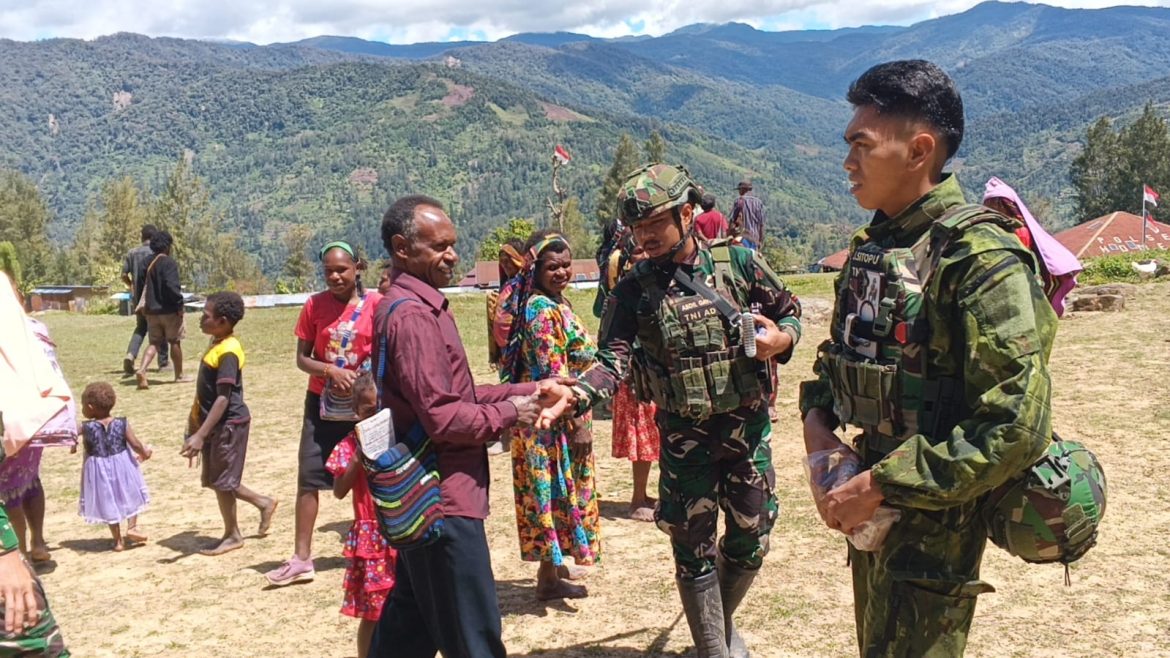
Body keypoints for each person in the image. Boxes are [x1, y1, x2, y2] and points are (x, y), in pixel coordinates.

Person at [798, 60, 1058, 657]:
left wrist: (881, 484)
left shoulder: (980, 258)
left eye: (862, 146)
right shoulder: (879, 248)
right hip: (869, 512)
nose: (848, 163)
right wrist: (821, 438)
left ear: (919, 150)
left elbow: (1016, 423)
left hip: (937, 530)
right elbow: (834, 365)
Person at [568, 163, 802, 658]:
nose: (645, 236)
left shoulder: (738, 266)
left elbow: (788, 310)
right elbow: (612, 360)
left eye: (655, 223)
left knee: (751, 538)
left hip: (746, 432)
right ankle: (713, 648)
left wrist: (780, 339)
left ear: (688, 213)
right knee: (692, 548)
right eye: (637, 228)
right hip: (683, 439)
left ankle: (718, 626)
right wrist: (576, 394)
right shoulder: (631, 290)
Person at [370, 194, 575, 658]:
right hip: (443, 503)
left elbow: (455, 395)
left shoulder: (412, 305)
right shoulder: (415, 317)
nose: (452, 255)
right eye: (439, 246)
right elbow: (444, 418)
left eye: (453, 244)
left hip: (426, 500)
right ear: (402, 248)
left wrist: (526, 388)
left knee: (408, 629)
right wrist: (514, 413)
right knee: (474, 637)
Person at [267, 242, 380, 585]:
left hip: (366, 409)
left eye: (342, 269)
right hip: (322, 405)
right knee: (309, 477)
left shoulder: (376, 304)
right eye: (328, 270)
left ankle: (381, 548)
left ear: (357, 267)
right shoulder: (314, 305)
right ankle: (301, 558)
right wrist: (329, 371)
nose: (334, 276)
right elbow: (302, 358)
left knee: (373, 477)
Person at [499, 230, 600, 601]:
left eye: (566, 265)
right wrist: (576, 424)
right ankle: (548, 579)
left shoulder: (553, 302)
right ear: (535, 269)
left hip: (557, 416)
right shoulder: (541, 311)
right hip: (553, 420)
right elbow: (554, 377)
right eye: (551, 266)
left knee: (558, 490)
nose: (561, 272)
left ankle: (556, 566)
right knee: (553, 492)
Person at [181, 291, 277, 556]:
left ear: (222, 321)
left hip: (229, 423)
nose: (201, 319)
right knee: (218, 479)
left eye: (206, 316)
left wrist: (201, 434)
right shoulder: (217, 341)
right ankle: (262, 502)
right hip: (216, 424)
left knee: (222, 480)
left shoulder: (229, 352)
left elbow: (223, 399)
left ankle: (233, 535)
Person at [325, 371, 397, 658]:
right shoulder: (349, 446)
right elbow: (339, 490)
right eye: (368, 411)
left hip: (400, 529)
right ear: (356, 412)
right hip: (373, 538)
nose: (375, 416)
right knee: (372, 611)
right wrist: (359, 456)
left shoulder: (399, 439)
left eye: (380, 409)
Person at [604, 235, 661, 522]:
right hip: (635, 376)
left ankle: (646, 493)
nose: (644, 258)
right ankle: (637, 498)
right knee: (642, 439)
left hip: (655, 373)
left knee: (654, 436)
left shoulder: (656, 284)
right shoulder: (624, 292)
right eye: (637, 253)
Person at [75, 382, 151, 551]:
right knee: (128, 493)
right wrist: (144, 452)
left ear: (90, 407)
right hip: (123, 465)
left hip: (98, 469)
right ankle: (132, 527)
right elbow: (135, 444)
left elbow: (69, 433)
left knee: (108, 499)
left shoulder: (86, 427)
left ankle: (117, 541)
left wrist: (72, 444)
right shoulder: (122, 423)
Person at [135, 230, 188, 389]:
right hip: (169, 310)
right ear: (167, 246)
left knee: (154, 343)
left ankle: (142, 369)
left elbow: (140, 285)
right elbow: (172, 287)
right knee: (175, 341)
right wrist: (179, 304)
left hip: (151, 311)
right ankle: (179, 375)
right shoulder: (169, 263)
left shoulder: (145, 263)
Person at [121, 224, 168, 375]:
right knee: (161, 329)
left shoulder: (132, 253)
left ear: (142, 237)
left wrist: (132, 286)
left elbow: (123, 275)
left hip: (138, 300)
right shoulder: (157, 252)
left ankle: (130, 355)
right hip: (155, 298)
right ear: (154, 237)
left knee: (141, 328)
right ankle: (163, 362)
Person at [729, 179, 766, 250]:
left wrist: (729, 237)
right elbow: (761, 225)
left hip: (742, 239)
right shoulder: (759, 202)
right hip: (755, 240)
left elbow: (732, 221)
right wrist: (760, 242)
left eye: (739, 190)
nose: (739, 192)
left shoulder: (739, 201)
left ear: (743, 189)